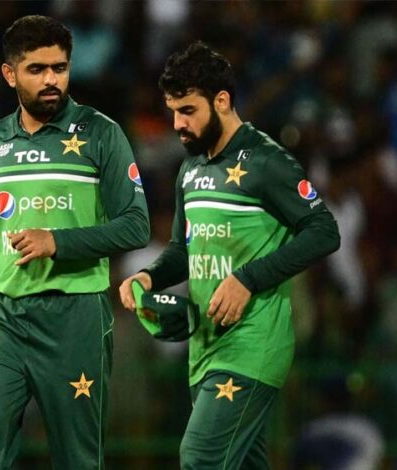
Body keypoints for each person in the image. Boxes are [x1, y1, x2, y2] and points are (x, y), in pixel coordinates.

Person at [0, 15, 150, 469]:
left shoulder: (101, 133)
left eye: (59, 68)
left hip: (75, 318)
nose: (51, 80)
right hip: (2, 320)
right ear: (10, 74)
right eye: (37, 69)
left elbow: (137, 226)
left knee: (78, 460)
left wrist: (57, 241)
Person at [118, 42, 340, 469]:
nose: (178, 124)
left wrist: (247, 279)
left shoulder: (267, 161)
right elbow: (182, 250)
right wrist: (149, 277)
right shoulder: (190, 168)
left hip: (252, 345)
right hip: (204, 346)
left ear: (221, 101)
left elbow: (323, 232)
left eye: (188, 110)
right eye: (173, 112)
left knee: (200, 457)